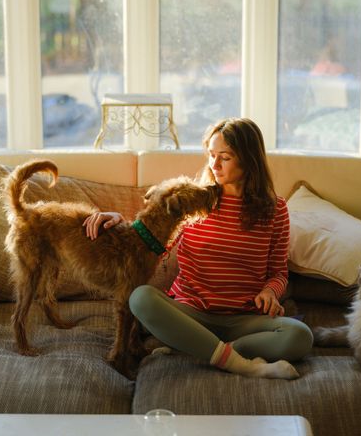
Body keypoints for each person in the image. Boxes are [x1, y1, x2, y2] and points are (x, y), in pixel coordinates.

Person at [83, 117, 312, 379]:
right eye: (211, 155)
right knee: (140, 298)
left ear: (249, 159)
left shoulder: (275, 209)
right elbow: (148, 233)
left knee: (300, 336)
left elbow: (279, 272)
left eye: (224, 157)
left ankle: (205, 349)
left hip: (244, 320)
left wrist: (270, 292)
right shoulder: (195, 200)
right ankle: (241, 363)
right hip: (189, 314)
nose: (214, 165)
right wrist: (116, 218)